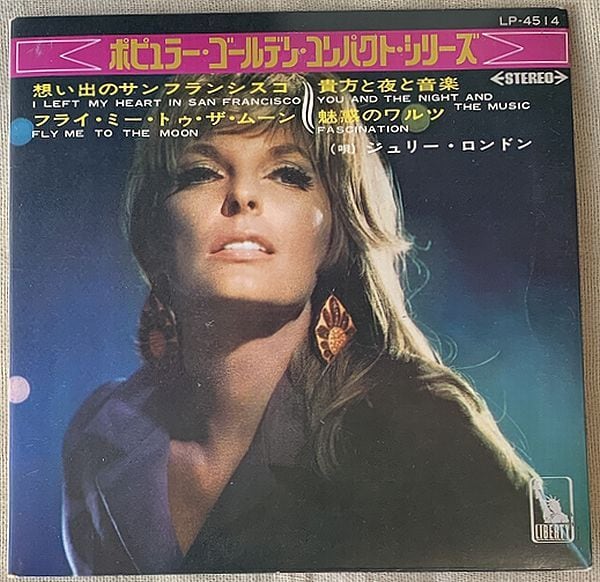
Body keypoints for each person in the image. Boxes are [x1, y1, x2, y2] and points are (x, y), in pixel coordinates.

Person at [61, 72, 583, 574]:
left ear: (334, 233)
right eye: (201, 172)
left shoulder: (417, 422)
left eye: (287, 174)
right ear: (156, 231)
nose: (242, 196)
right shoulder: (101, 429)